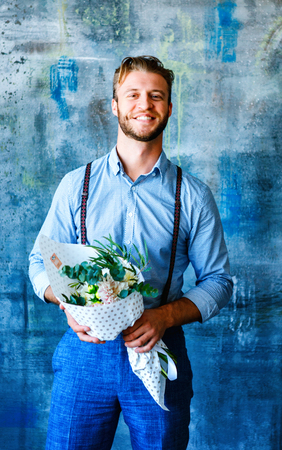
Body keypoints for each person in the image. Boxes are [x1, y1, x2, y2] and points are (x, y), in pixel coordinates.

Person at [29, 55, 233, 450]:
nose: (145, 104)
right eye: (133, 95)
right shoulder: (77, 185)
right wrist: (69, 304)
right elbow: (40, 261)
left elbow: (219, 282)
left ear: (169, 108)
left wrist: (164, 316)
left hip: (161, 352)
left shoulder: (191, 195)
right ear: (115, 105)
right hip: (84, 357)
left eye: (156, 96)